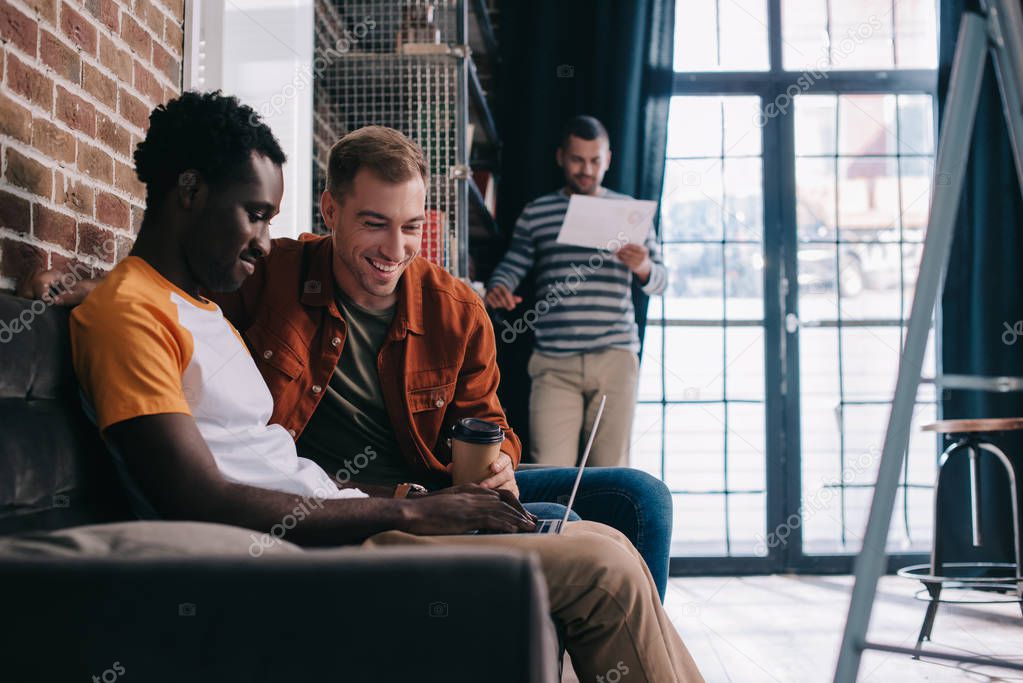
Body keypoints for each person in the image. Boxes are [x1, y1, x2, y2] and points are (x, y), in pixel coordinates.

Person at [59, 91, 703, 682]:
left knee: (613, 532)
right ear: (331, 213)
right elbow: (196, 495)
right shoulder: (169, 302)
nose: (261, 241)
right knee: (604, 568)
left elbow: (256, 437)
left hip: (372, 499)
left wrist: (472, 475)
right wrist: (413, 510)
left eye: (412, 226)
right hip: (332, 536)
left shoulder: (201, 301)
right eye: (254, 215)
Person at [485, 115, 668, 469]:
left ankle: (601, 530)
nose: (586, 169)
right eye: (577, 159)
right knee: (550, 471)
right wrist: (499, 286)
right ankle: (560, 528)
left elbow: (662, 281)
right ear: (560, 157)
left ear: (608, 160)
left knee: (611, 470)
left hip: (615, 358)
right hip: (555, 363)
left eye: (595, 161)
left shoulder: (630, 213)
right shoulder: (537, 212)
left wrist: (643, 267)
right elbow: (513, 264)